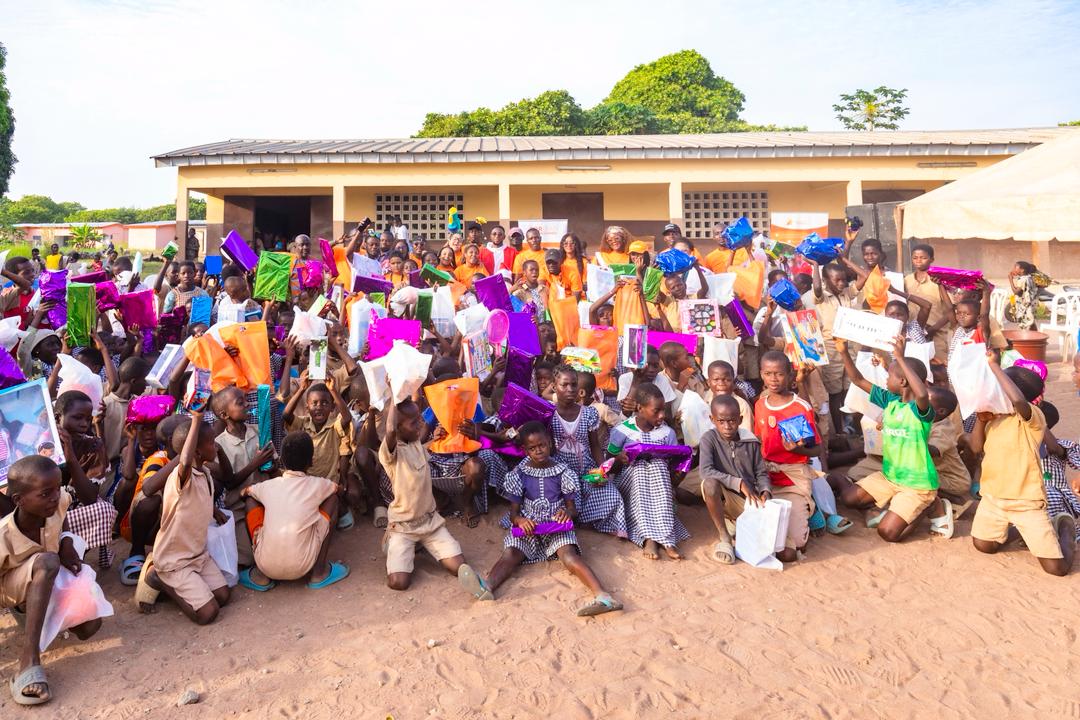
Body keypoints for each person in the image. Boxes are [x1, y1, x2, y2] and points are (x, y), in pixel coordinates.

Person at [484, 422, 622, 616]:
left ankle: (603, 596)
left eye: (542, 445)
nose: (538, 451)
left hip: (556, 525)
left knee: (569, 555)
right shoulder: (519, 474)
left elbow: (573, 510)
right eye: (532, 448)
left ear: (550, 443)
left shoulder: (564, 472)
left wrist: (567, 513)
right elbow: (514, 514)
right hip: (529, 526)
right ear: (525, 451)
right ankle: (487, 586)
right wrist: (521, 521)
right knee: (511, 554)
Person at [1, 456, 103, 706]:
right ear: (19, 501)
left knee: (89, 627)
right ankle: (28, 661)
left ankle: (42, 614)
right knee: (47, 561)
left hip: (44, 580)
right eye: (46, 494)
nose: (55, 497)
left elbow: (64, 511)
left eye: (57, 489)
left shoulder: (56, 503)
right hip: (11, 590)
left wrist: (66, 539)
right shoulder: (4, 535)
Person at [831, 336, 954, 542]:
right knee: (849, 498)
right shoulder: (891, 400)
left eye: (889, 375)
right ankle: (899, 505)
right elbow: (858, 380)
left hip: (917, 484)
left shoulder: (921, 410)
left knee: (888, 533)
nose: (886, 379)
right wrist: (843, 351)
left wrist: (899, 357)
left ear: (903, 381)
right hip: (891, 476)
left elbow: (922, 394)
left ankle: (930, 505)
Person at [380, 392, 492, 599]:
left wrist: (431, 438)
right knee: (398, 583)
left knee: (459, 566)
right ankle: (392, 540)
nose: (422, 424)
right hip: (404, 527)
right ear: (397, 428)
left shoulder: (416, 445)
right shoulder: (391, 453)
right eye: (415, 423)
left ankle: (421, 545)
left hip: (430, 523)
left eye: (421, 419)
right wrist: (394, 393)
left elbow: (422, 443)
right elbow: (389, 430)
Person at [969, 363, 1075, 576]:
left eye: (999, 387)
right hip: (993, 498)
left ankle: (1065, 528)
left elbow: (1018, 401)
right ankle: (1021, 530)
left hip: (1026, 501)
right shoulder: (993, 418)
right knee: (983, 545)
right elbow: (975, 448)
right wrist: (981, 419)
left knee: (1057, 569)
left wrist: (993, 366)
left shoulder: (1033, 417)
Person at [141, 412, 232, 624]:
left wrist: (212, 511)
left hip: (197, 554)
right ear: (197, 452)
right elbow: (184, 461)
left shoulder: (205, 473)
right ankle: (161, 579)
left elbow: (196, 501)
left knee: (223, 596)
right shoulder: (181, 476)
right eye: (211, 443)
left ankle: (186, 585)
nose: (215, 446)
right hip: (175, 560)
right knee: (208, 614)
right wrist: (197, 420)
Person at [240, 432, 349, 591]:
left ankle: (261, 575)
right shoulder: (319, 484)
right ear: (311, 461)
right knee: (332, 500)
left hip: (266, 565)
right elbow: (338, 491)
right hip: (303, 565)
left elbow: (244, 493)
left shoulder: (269, 486)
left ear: (282, 461)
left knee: (251, 501)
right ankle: (319, 573)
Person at [607, 383, 689, 560]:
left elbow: (672, 463)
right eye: (656, 411)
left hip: (659, 484)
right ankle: (649, 537)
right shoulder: (621, 431)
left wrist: (679, 471)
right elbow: (609, 465)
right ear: (640, 408)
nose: (662, 415)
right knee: (640, 468)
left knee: (657, 465)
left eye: (664, 410)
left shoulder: (667, 433)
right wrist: (620, 459)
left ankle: (666, 537)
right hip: (631, 484)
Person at [753, 351, 819, 562]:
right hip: (766, 476)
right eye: (768, 373)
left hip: (792, 476)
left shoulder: (800, 407)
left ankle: (811, 509)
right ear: (761, 374)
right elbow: (758, 441)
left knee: (798, 544)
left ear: (790, 375)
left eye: (779, 374)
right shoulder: (761, 404)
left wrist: (796, 450)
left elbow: (817, 450)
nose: (773, 379)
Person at [549, 364, 628, 538]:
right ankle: (578, 518)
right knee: (564, 498)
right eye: (564, 385)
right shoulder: (549, 412)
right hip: (560, 470)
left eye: (574, 384)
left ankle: (588, 521)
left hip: (586, 467)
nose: (570, 389)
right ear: (554, 387)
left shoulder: (589, 413)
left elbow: (594, 446)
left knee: (611, 495)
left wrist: (602, 470)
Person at [698, 395, 771, 565]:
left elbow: (761, 472)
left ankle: (735, 524)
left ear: (740, 419)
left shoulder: (750, 441)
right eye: (721, 421)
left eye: (732, 421)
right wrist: (738, 483)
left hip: (749, 501)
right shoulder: (709, 439)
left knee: (785, 552)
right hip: (726, 496)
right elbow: (706, 471)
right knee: (709, 484)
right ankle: (724, 536)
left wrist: (765, 490)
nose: (727, 426)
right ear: (712, 419)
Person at [904, 243, 954, 362]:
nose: (918, 261)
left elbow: (951, 309)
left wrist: (932, 330)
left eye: (923, 257)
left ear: (932, 259)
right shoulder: (907, 280)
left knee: (940, 368)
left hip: (936, 334)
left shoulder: (939, 280)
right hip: (913, 335)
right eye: (915, 258)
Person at [1006, 261, 1040, 330]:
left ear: (1022, 270)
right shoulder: (1029, 277)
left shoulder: (1023, 280)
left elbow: (1016, 292)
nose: (1013, 269)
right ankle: (1037, 338)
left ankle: (1029, 339)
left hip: (1026, 306)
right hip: (1032, 303)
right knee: (1031, 323)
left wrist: (1011, 280)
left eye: (1015, 268)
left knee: (1025, 325)